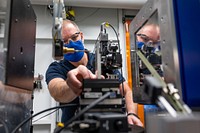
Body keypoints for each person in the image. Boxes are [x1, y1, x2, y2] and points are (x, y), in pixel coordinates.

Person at [45, 19, 143, 127]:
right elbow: (56, 91)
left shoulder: (102, 61)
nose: (71, 44)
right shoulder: (57, 68)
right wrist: (72, 84)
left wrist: (132, 114)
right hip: (73, 126)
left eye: (74, 37)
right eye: (65, 41)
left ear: (81, 36)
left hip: (105, 124)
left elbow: (127, 91)